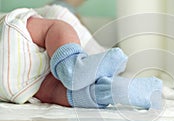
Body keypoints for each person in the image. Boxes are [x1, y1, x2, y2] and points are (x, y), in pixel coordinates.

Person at [0, 5, 162, 109]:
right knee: (54, 28)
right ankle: (73, 66)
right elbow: (58, 20)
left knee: (54, 92)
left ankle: (107, 91)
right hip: (10, 39)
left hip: (15, 88)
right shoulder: (54, 12)